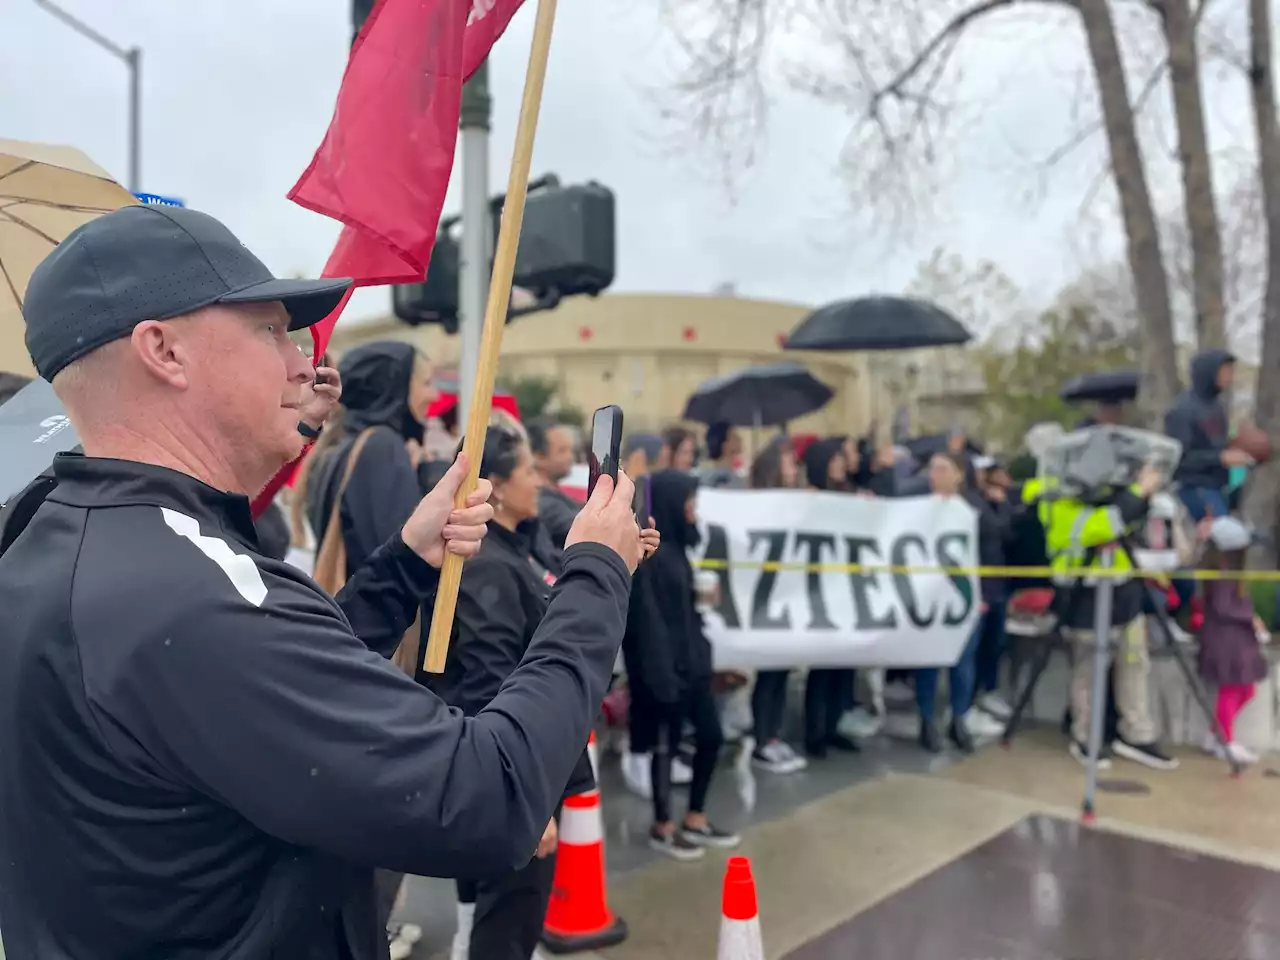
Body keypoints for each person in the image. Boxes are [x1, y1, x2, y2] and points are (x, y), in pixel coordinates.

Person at [0, 204, 645, 960]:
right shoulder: (178, 588)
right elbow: (485, 796)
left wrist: (406, 561)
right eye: (269, 329)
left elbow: (273, 695)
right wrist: (597, 571)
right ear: (163, 351)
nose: (304, 361)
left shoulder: (53, 530)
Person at [430, 426, 659, 959]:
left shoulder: (518, 545)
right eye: (529, 471)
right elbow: (488, 679)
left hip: (520, 760)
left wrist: (616, 561)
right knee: (509, 914)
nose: (541, 482)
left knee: (494, 908)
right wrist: (519, 797)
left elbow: (559, 602)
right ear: (500, 487)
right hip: (515, 764)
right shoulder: (485, 564)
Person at [1022, 432, 1176, 770]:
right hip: (1085, 595)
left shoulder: (1104, 497)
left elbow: (1126, 520)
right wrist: (1137, 492)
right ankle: (1086, 736)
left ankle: (1137, 734)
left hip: (1124, 589)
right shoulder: (1053, 501)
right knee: (1089, 671)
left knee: (1135, 665)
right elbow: (1102, 527)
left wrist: (1139, 491)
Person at [630, 469, 741, 860]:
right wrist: (659, 672)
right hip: (667, 668)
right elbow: (648, 620)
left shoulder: (677, 549)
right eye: (689, 499)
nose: (694, 507)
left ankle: (694, 816)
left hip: (691, 663)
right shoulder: (653, 555)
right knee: (666, 742)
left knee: (711, 736)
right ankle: (663, 825)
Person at [913, 453, 986, 753]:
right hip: (929, 597)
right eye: (932, 469)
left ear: (958, 475)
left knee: (962, 663)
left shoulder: (973, 509)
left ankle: (959, 718)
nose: (935, 475)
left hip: (963, 596)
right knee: (929, 662)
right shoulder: (917, 508)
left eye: (943, 469)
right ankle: (927, 719)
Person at [747, 436, 808, 774]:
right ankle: (762, 738)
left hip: (790, 596)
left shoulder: (794, 500)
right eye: (787, 461)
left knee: (781, 669)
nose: (793, 467)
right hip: (767, 597)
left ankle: (773, 735)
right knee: (769, 671)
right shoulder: (758, 502)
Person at [799, 438, 861, 758]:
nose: (840, 464)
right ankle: (814, 732)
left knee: (844, 666)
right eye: (834, 459)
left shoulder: (850, 494)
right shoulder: (812, 497)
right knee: (822, 665)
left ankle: (834, 725)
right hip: (822, 591)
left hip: (849, 591)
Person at [1196, 517, 1270, 765]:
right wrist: (1251, 618)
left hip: (1235, 639)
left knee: (1246, 689)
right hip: (1225, 640)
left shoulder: (1227, 571)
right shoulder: (1221, 573)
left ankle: (1214, 733)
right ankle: (1226, 742)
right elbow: (1223, 607)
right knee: (1231, 689)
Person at [1165, 349, 1249, 522]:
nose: (1230, 377)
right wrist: (1221, 458)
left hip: (1219, 486)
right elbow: (1180, 457)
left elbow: (1215, 444)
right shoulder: (1183, 409)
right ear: (1209, 372)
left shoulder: (1216, 406)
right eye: (1225, 371)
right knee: (1225, 537)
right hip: (1194, 488)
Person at [971, 455, 1016, 726]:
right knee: (979, 644)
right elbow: (995, 529)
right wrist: (1000, 508)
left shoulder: (999, 502)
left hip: (998, 582)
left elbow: (1009, 535)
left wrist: (1003, 506)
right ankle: (975, 694)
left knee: (994, 642)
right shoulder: (975, 502)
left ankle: (988, 688)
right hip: (981, 584)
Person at [529, 418, 581, 549]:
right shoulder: (543, 503)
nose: (570, 457)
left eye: (571, 450)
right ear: (539, 457)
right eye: (562, 451)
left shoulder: (557, 496)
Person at [697, 421, 744, 488]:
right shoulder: (736, 481)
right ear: (724, 445)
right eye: (734, 436)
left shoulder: (703, 477)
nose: (739, 439)